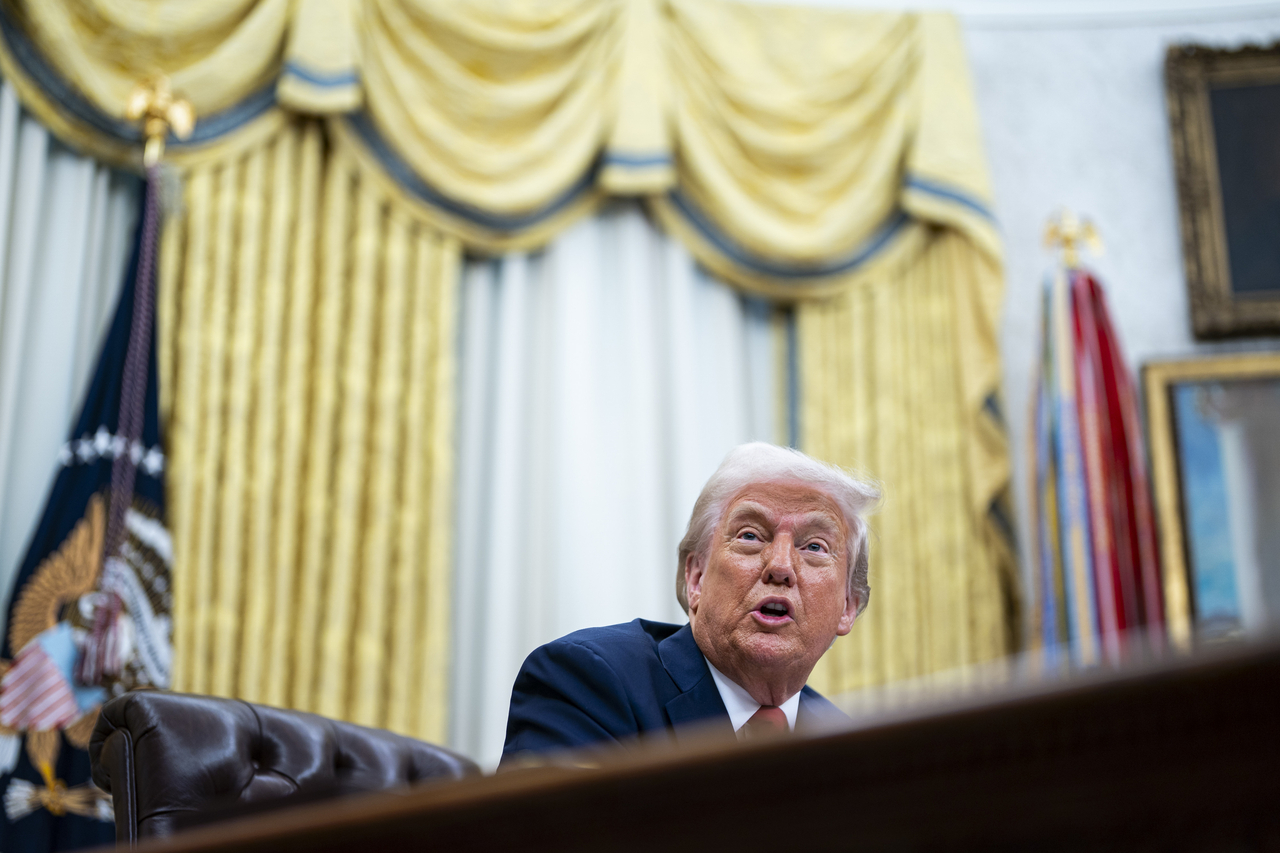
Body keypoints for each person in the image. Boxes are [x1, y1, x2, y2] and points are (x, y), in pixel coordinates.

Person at [501, 442, 879, 763]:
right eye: (750, 536)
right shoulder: (587, 682)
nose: (780, 566)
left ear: (847, 607)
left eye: (814, 546)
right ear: (695, 577)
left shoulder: (855, 750)